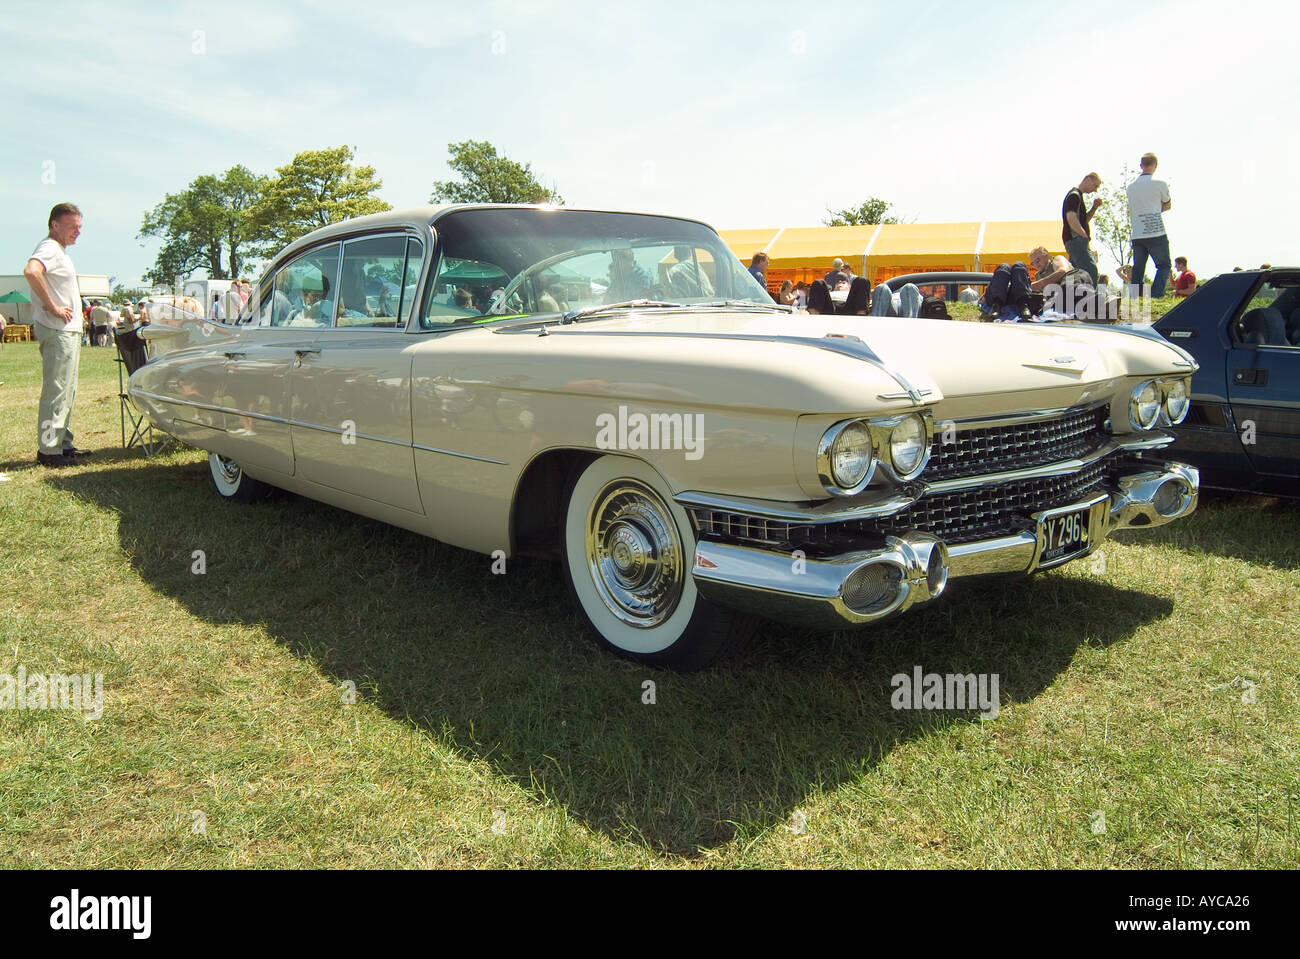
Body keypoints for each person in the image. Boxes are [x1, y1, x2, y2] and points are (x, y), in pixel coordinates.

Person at [24, 202, 89, 467]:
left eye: (80, 227)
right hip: (58, 330)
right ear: (55, 225)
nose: (78, 232)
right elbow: (31, 271)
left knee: (66, 390)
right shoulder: (49, 247)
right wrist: (52, 306)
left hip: (67, 331)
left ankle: (62, 442)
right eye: (73, 226)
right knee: (57, 389)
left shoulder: (59, 250)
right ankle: (49, 450)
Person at [1125, 153, 1173, 297]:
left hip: (1137, 232)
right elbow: (1167, 205)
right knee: (1164, 265)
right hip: (1155, 230)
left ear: (1141, 166)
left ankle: (1135, 297)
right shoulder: (1160, 184)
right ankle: (1156, 294)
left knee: (1138, 268)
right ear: (1155, 165)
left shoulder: (1131, 187)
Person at [1062, 173, 1103, 284]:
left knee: (1075, 274)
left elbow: (1082, 221)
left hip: (1073, 240)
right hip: (1076, 240)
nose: (1095, 190)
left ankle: (1076, 299)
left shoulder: (1076, 196)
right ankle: (1090, 299)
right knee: (1090, 270)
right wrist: (1083, 235)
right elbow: (1071, 218)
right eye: (1095, 186)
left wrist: (1094, 208)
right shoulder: (1074, 195)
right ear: (1088, 180)